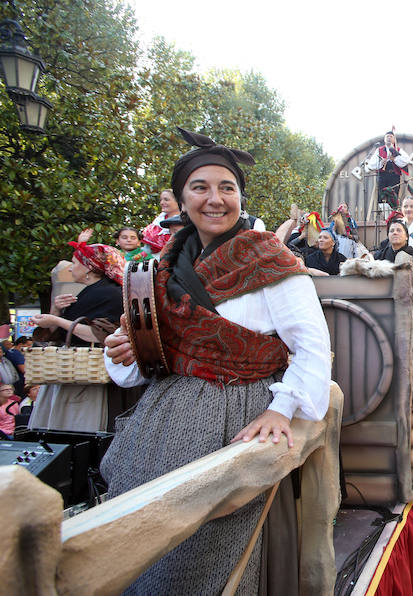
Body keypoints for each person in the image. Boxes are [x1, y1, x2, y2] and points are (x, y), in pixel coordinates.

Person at [101, 128, 332, 594]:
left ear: (240, 198)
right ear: (182, 199)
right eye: (200, 187)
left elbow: (312, 346)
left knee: (204, 553)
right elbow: (146, 361)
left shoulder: (270, 260)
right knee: (138, 543)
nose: (215, 199)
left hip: (236, 416)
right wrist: (123, 354)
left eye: (227, 187)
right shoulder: (157, 269)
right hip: (162, 420)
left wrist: (279, 409)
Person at [29, 241, 133, 432]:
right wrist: (56, 310)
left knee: (80, 427)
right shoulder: (86, 293)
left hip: (89, 377)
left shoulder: (110, 293)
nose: (70, 269)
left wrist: (57, 320)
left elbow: (100, 334)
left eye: (74, 263)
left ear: (89, 268)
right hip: (69, 372)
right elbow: (56, 334)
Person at [372, 220, 413, 285]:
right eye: (391, 231)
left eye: (399, 230)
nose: (395, 233)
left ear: (406, 237)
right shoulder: (381, 254)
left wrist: (406, 283)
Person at [365, 130, 411, 209]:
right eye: (387, 136)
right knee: (382, 197)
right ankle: (386, 217)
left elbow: (406, 160)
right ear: (384, 139)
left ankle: (392, 215)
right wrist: (381, 163)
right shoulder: (379, 150)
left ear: (394, 139)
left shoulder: (398, 150)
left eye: (391, 136)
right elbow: (372, 164)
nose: (389, 138)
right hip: (382, 176)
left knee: (393, 197)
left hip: (394, 176)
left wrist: (395, 159)